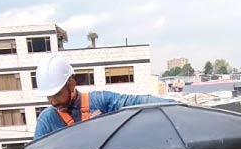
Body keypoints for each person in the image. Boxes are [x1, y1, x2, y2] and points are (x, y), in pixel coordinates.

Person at [34, 54, 173, 138]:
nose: (53, 101)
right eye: (48, 96)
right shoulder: (47, 120)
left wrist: (174, 105)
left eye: (57, 94)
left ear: (71, 84)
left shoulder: (100, 102)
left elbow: (137, 101)